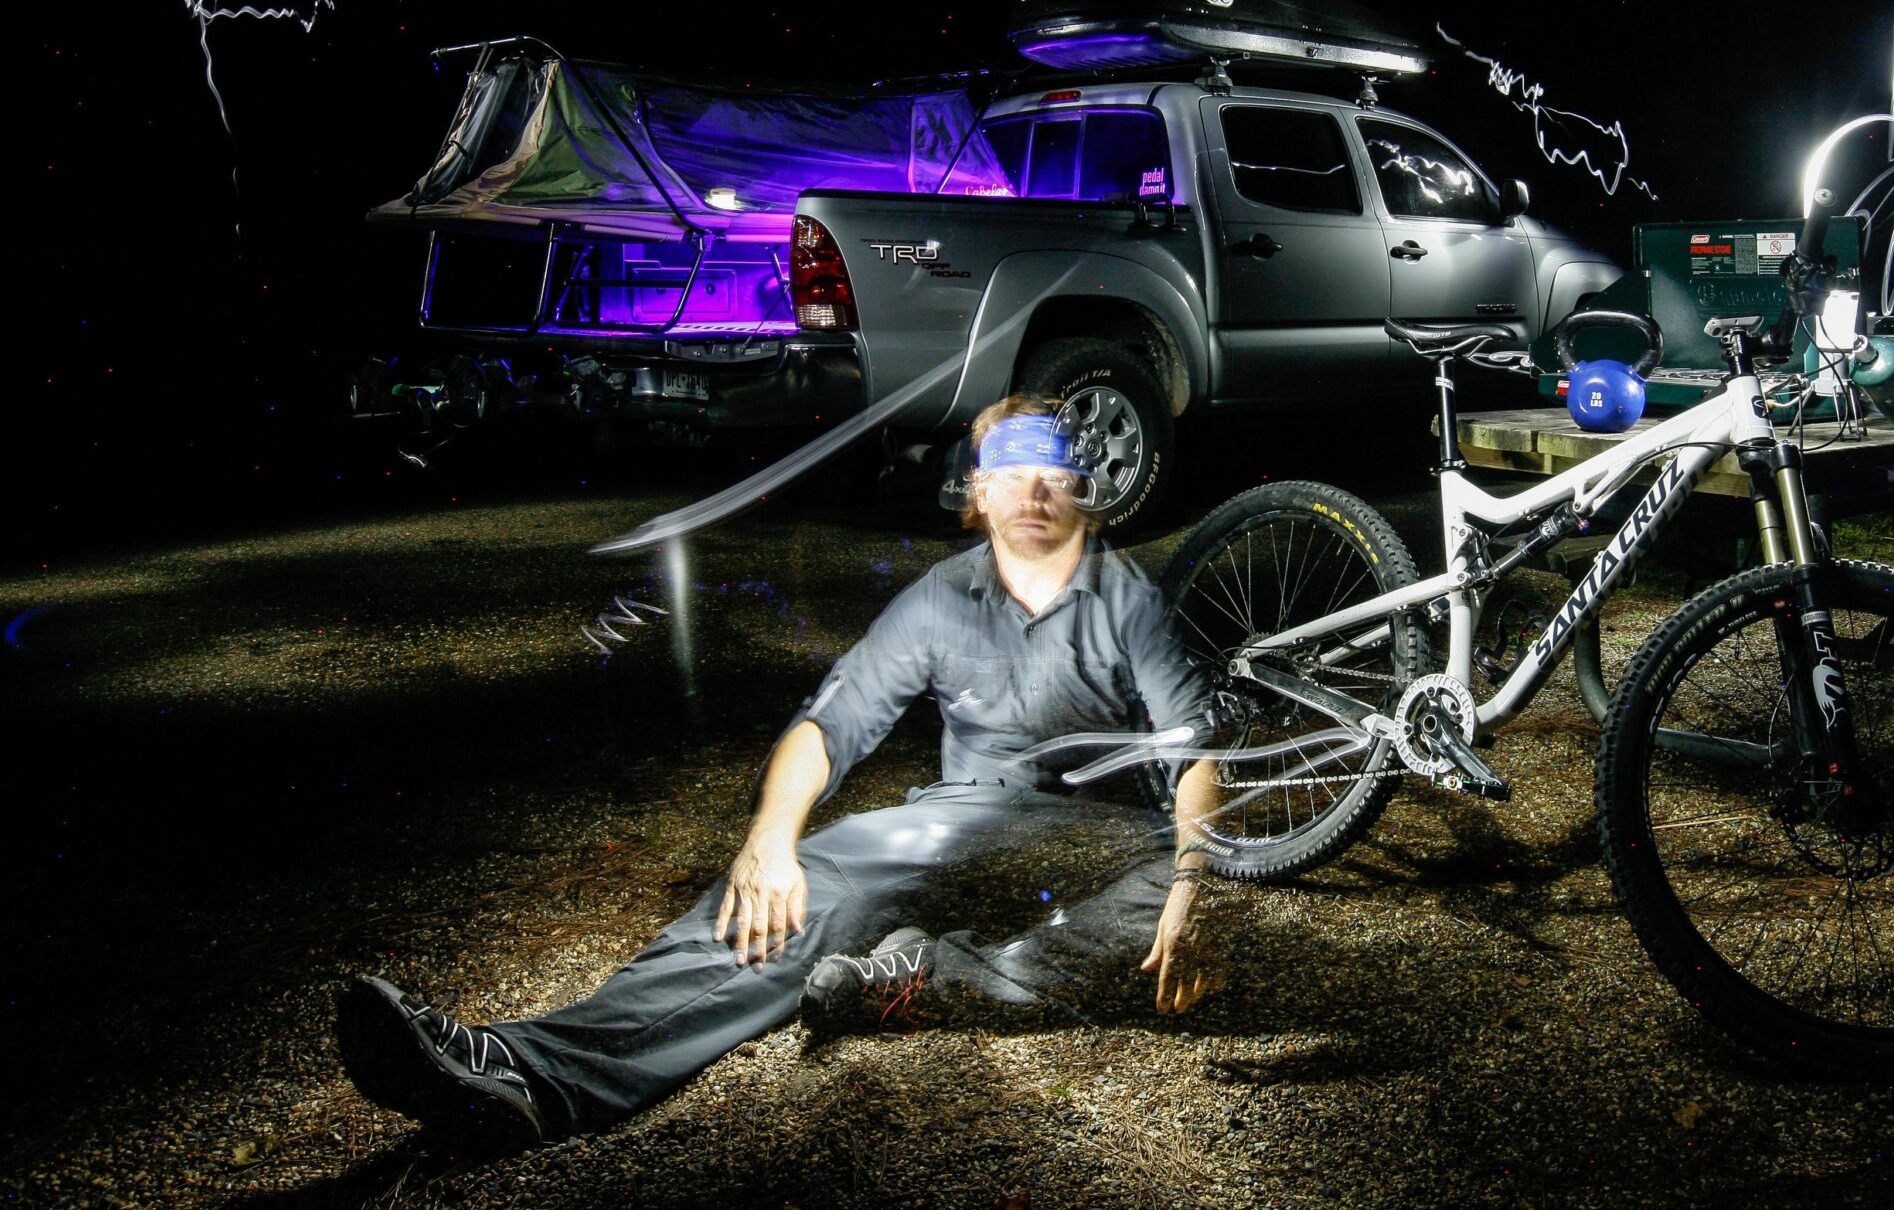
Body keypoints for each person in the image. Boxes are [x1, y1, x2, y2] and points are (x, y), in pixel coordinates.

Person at [335, 396, 1228, 1144]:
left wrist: (1194, 881)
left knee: (1199, 898)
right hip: (954, 821)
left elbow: (1198, 754)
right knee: (783, 898)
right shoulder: (936, 600)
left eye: (1053, 470)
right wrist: (770, 839)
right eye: (1010, 470)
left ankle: (926, 976)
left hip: (1095, 837)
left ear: (1083, 491)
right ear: (977, 494)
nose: (1033, 490)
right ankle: (530, 1074)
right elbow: (828, 725)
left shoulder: (1127, 601)